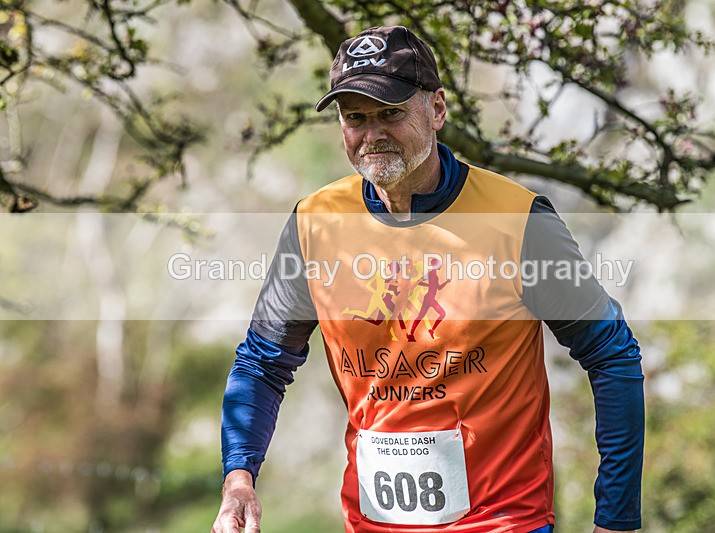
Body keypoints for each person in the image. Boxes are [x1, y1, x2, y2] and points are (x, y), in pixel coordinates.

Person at [212, 25, 644, 533]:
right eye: (355, 118)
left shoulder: (517, 219)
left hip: (503, 524)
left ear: (437, 109)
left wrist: (616, 519)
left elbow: (612, 355)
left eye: (391, 113)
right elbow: (262, 364)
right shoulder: (315, 222)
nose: (372, 133)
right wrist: (239, 477)